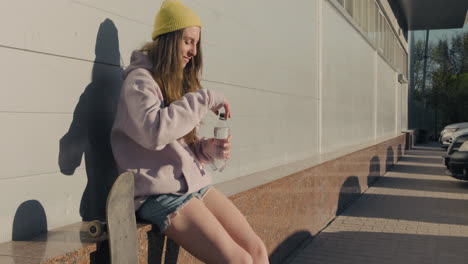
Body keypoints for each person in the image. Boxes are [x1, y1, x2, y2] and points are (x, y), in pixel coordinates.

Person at [110, 1, 269, 263]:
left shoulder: (172, 80)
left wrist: (205, 150)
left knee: (257, 250)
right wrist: (204, 98)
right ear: (170, 39)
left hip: (194, 186)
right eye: (188, 41)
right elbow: (155, 132)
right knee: (239, 261)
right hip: (160, 194)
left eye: (196, 43)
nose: (194, 51)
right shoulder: (138, 82)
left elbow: (176, 148)